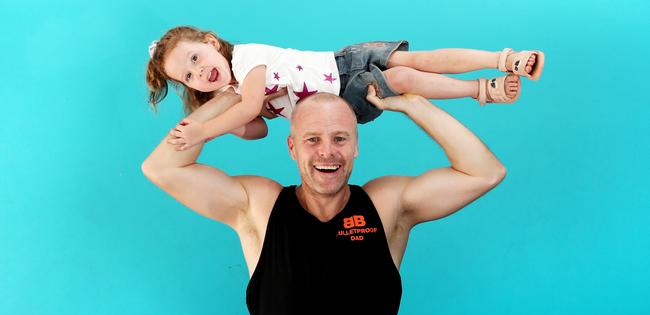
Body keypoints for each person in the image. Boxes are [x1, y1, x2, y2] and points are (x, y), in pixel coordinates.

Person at [141, 86, 507, 315]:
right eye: (312, 139)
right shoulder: (260, 207)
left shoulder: (386, 205)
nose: (327, 152)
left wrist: (415, 105)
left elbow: (485, 172)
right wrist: (235, 95)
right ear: (292, 147)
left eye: (340, 139)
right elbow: (163, 168)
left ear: (356, 146)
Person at [145, 25, 544, 150]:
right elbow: (257, 128)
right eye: (189, 77)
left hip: (341, 61)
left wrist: (202, 129)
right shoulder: (230, 96)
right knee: (401, 82)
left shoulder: (247, 57)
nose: (199, 74)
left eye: (196, 59)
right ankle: (481, 90)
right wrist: (224, 116)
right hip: (338, 100)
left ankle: (502, 59)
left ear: (211, 42)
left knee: (412, 60)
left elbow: (251, 106)